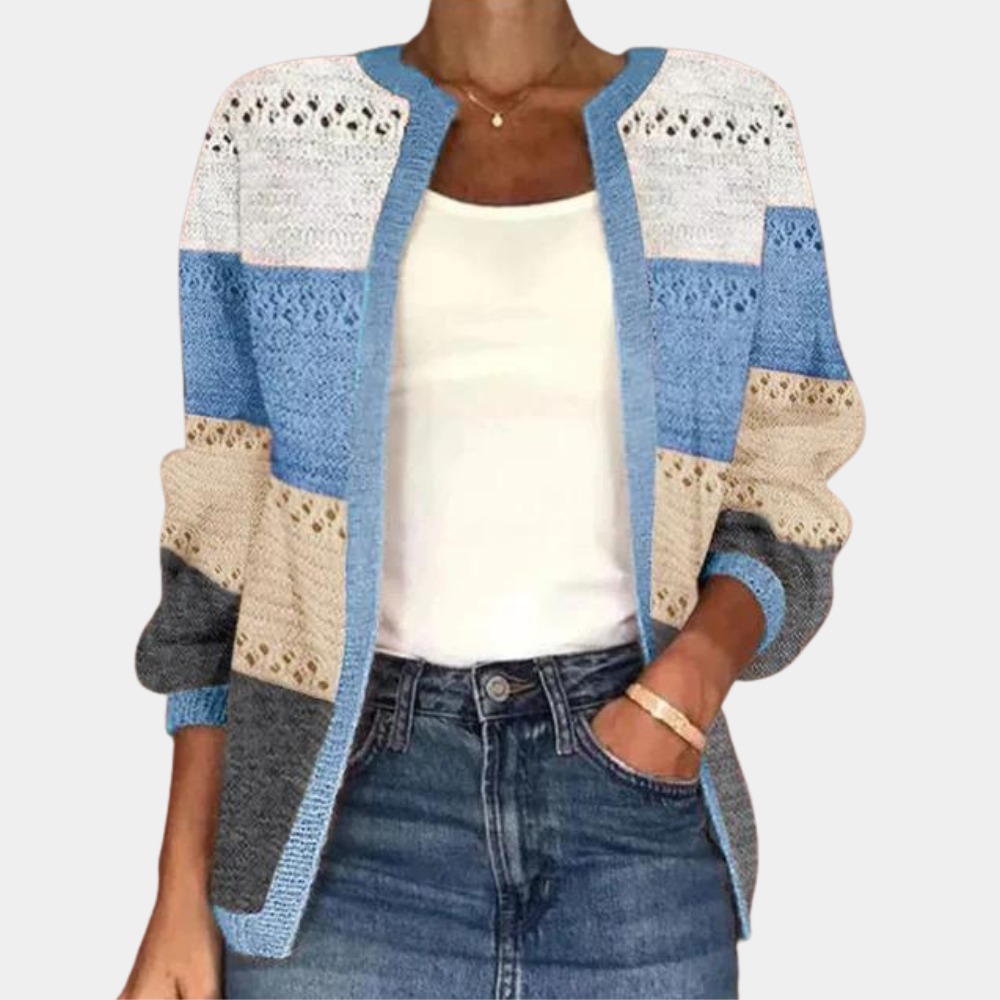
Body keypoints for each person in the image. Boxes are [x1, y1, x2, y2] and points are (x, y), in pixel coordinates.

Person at [120, 1, 866, 997]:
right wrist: (178, 890)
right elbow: (217, 534)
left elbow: (788, 472)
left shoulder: (729, 125)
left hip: (631, 807)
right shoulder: (278, 125)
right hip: (338, 813)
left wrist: (690, 679)